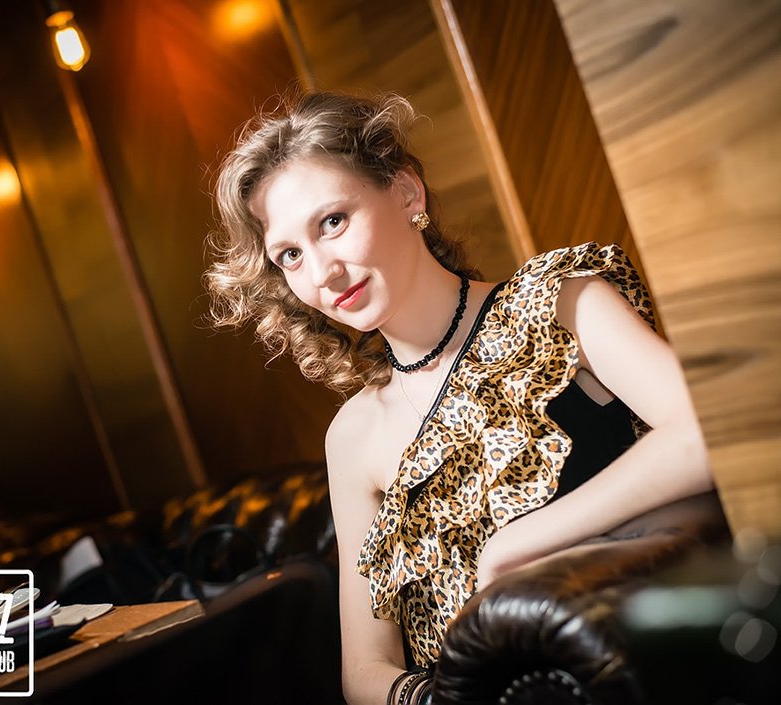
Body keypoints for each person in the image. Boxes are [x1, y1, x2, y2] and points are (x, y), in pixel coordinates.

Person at [205, 91, 713, 705]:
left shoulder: (560, 302)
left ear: (406, 194)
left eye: (332, 222)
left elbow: (708, 432)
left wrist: (517, 544)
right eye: (290, 255)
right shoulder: (353, 435)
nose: (321, 272)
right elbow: (364, 671)